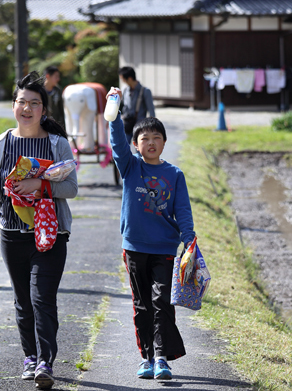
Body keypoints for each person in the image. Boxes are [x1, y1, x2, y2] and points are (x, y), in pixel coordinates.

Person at [0, 71, 77, 390]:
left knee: (42, 299)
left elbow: (72, 187)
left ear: (44, 110)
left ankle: (45, 362)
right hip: (11, 236)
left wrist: (40, 184)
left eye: (34, 103)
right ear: (13, 106)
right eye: (21, 102)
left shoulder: (57, 144)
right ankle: (30, 357)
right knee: (23, 300)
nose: (27, 108)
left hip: (51, 235)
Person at [107, 87, 194, 381]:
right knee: (142, 304)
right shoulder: (130, 167)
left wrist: (189, 238)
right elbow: (117, 142)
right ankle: (145, 357)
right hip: (134, 247)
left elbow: (182, 209)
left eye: (157, 137)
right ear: (136, 144)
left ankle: (161, 359)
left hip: (165, 248)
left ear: (165, 142)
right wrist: (115, 111)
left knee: (162, 302)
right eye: (145, 138)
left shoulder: (175, 174)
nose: (151, 142)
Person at [119, 66, 155, 145]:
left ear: (130, 78)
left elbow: (151, 110)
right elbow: (123, 106)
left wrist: (152, 127)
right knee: (124, 148)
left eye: (123, 79)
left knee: (140, 151)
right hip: (127, 125)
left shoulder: (145, 91)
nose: (123, 81)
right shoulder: (125, 89)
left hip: (140, 126)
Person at [44, 66, 66, 132]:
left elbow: (61, 110)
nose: (58, 79)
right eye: (56, 76)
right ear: (48, 76)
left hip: (54, 127)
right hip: (40, 127)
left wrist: (63, 129)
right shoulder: (38, 91)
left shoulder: (58, 91)